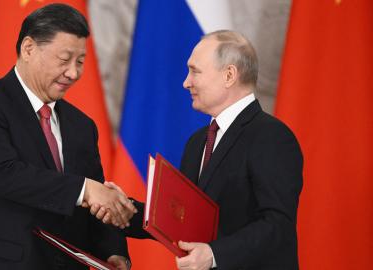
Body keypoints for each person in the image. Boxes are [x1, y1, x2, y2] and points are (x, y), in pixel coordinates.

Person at [92, 30, 303, 270]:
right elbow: (180, 220)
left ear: (229, 75)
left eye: (195, 71)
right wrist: (122, 208)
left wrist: (214, 255)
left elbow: (277, 224)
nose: (185, 82)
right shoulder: (197, 141)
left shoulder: (271, 136)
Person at [0, 4, 135, 270]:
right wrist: (85, 190)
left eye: (80, 61)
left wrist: (114, 252)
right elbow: (5, 175)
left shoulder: (82, 125)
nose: (73, 73)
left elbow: (95, 205)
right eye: (64, 59)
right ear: (28, 48)